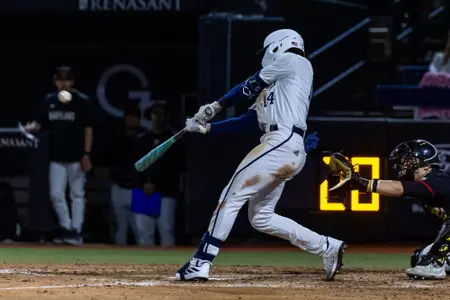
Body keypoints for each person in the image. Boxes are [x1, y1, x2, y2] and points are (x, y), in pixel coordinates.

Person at [176, 29, 346, 282]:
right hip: (282, 146)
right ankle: (327, 246)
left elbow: (250, 84)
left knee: (230, 196)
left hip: (282, 141)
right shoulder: (277, 86)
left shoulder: (295, 60)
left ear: (279, 46)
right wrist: (205, 128)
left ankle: (201, 262)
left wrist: (216, 105)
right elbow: (246, 121)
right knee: (261, 218)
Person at [327, 139, 450, 280]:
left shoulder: (438, 180)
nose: (403, 164)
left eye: (407, 159)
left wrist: (362, 183)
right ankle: (434, 260)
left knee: (429, 259)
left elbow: (399, 188)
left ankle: (434, 264)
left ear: (421, 161)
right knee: (420, 257)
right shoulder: (432, 183)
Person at [24, 66, 93, 245]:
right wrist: (28, 128)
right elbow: (39, 123)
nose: (63, 83)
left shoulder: (81, 101)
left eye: (67, 80)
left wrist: (86, 154)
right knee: (56, 194)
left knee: (77, 194)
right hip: (56, 157)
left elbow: (88, 129)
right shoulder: (49, 100)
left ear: (72, 81)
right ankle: (67, 227)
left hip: (76, 157)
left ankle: (76, 230)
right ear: (55, 81)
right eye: (60, 80)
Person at [133, 101, 183, 247]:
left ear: (167, 116)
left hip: (166, 191)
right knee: (143, 233)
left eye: (162, 113)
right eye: (155, 113)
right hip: (143, 191)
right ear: (150, 116)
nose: (158, 117)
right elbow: (135, 166)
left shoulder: (174, 139)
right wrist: (143, 184)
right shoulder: (142, 139)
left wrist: (157, 184)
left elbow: (176, 168)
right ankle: (145, 268)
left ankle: (167, 267)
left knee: (166, 230)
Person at [109, 106, 143, 245]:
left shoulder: (144, 137)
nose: (131, 120)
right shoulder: (117, 137)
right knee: (120, 227)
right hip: (119, 187)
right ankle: (117, 263)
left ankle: (147, 263)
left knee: (139, 228)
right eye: (129, 116)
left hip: (137, 189)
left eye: (134, 116)